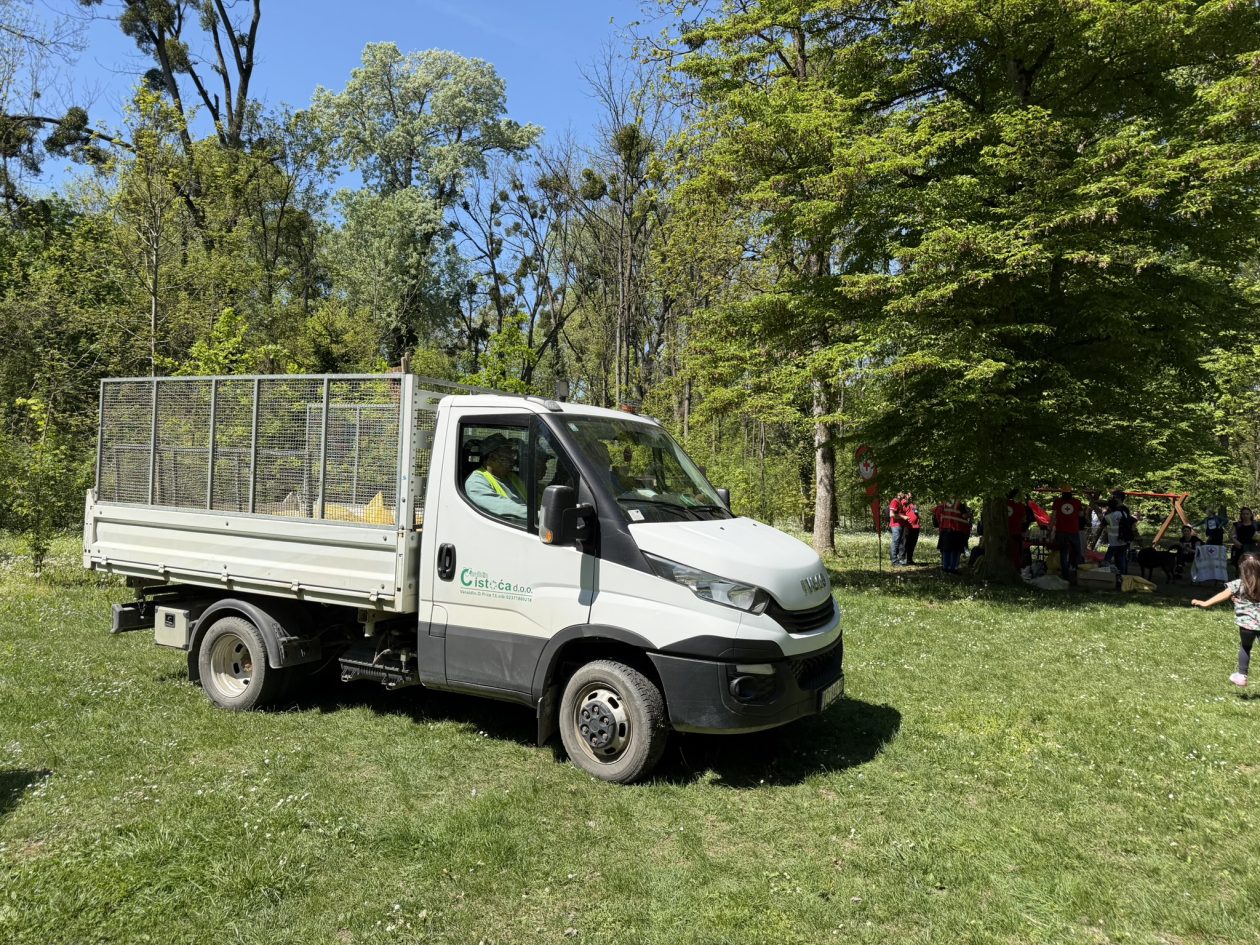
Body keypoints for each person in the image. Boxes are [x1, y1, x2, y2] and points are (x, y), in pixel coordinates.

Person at [1192, 554, 1260, 687]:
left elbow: (1222, 595)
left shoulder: (1239, 584)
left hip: (1246, 626)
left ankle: (1241, 676)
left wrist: (1205, 603)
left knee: (1245, 647)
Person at [464, 434, 526, 519]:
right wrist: (539, 516)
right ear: (491, 458)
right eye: (507, 458)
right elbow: (506, 508)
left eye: (512, 456)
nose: (513, 461)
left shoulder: (512, 476)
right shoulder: (476, 482)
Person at [1047, 488, 1083, 584]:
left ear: (1062, 493)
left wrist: (1050, 528)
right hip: (1073, 531)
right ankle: (1079, 574)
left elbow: (1053, 516)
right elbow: (1081, 514)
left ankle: (1066, 575)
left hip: (1061, 531)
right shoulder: (1077, 502)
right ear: (1071, 493)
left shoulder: (1057, 502)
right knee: (1077, 552)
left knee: (1063, 553)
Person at [1102, 499, 1131, 589]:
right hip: (1123, 542)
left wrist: (1108, 531)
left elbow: (1102, 526)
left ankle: (1104, 576)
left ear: (1109, 507)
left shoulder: (1108, 517)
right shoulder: (1124, 514)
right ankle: (1122, 579)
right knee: (1122, 559)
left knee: (1107, 560)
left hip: (1113, 542)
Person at [889, 491, 908, 567]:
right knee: (895, 542)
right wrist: (903, 517)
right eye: (903, 492)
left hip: (900, 525)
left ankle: (897, 560)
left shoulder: (899, 502)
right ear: (899, 493)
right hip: (895, 525)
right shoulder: (894, 501)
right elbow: (892, 514)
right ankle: (894, 561)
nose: (904, 494)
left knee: (899, 542)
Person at [903, 493, 922, 565]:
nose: (911, 496)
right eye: (909, 494)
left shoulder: (914, 504)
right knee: (906, 543)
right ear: (906, 495)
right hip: (908, 526)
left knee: (913, 543)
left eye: (912, 495)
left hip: (916, 527)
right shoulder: (904, 503)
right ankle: (903, 559)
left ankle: (910, 559)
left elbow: (916, 514)